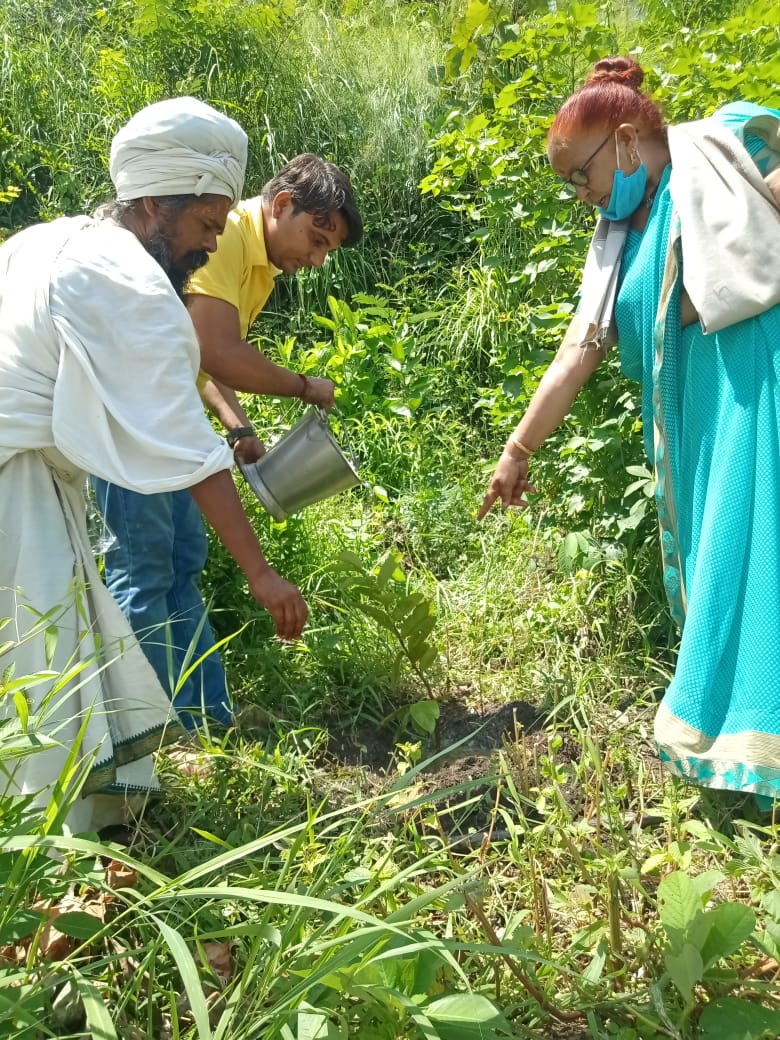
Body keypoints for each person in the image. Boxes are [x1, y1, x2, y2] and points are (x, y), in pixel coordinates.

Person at [0, 96, 307, 834]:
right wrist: (263, 576)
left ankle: (84, 829)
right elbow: (190, 451)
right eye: (205, 225)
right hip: (16, 488)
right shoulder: (129, 282)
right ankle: (53, 849)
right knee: (39, 665)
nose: (208, 247)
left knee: (55, 649)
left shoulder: (46, 240)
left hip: (32, 474)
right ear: (154, 203)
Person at [479, 56, 780, 801]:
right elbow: (576, 356)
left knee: (762, 553)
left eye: (581, 176)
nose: (581, 196)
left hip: (757, 386)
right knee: (725, 559)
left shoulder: (721, 140)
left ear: (623, 140)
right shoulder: (617, 241)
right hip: (700, 422)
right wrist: (517, 451)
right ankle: (738, 746)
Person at [91, 154, 363, 729]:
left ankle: (203, 723)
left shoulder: (255, 260)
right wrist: (303, 386)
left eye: (325, 252)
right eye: (315, 239)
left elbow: (196, 357)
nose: (314, 260)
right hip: (127, 424)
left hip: (167, 417)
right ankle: (140, 733)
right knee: (143, 572)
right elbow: (218, 350)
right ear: (281, 205)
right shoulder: (233, 237)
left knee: (182, 564)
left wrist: (236, 425)